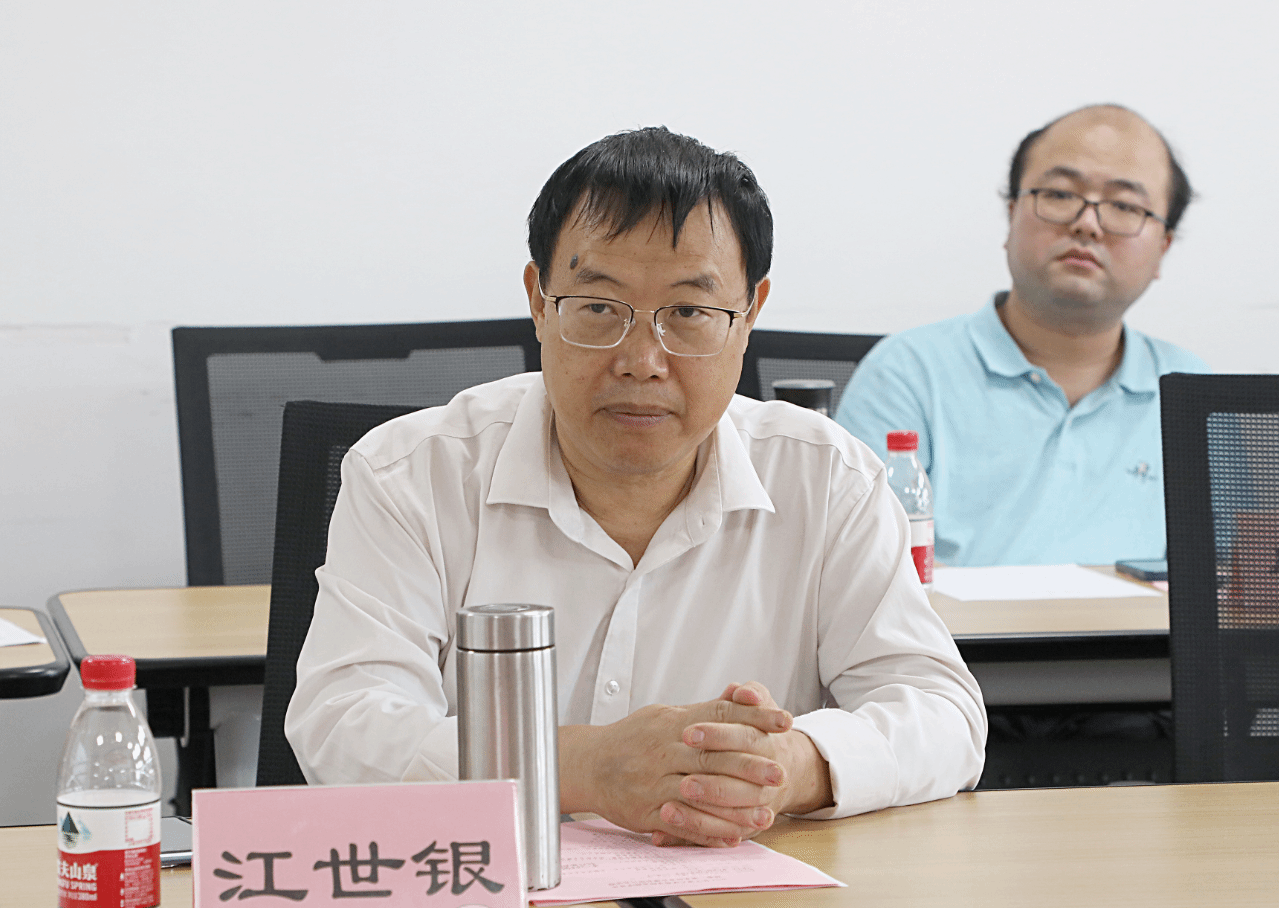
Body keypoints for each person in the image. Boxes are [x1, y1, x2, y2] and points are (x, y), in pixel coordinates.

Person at [285, 126, 985, 847]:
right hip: (488, 879)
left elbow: (941, 711)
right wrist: (585, 767)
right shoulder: (410, 474)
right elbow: (344, 724)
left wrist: (782, 766)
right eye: (599, 308)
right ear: (539, 302)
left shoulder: (828, 479)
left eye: (689, 313)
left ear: (749, 315)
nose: (642, 360)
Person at [836, 105, 1208, 568]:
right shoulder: (905, 375)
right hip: (948, 620)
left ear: (1163, 248)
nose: (1087, 224)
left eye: (1125, 206)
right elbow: (860, 572)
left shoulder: (1194, 391)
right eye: (1060, 194)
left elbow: (1233, 579)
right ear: (1012, 215)